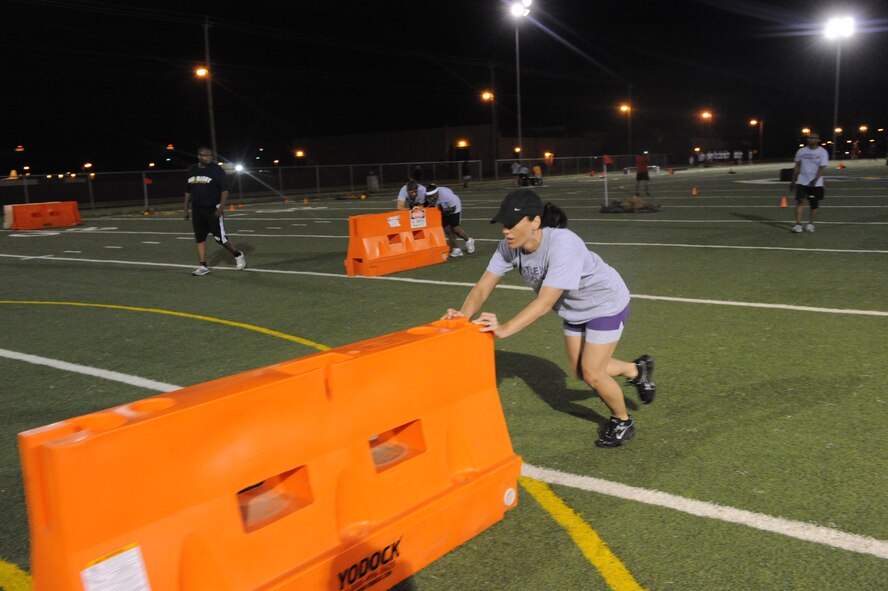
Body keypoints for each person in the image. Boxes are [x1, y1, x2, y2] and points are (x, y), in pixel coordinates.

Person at [442, 189, 656, 448]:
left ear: (535, 222)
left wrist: (505, 329)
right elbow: (483, 287)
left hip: (604, 303)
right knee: (580, 371)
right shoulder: (509, 249)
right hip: (573, 310)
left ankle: (622, 421)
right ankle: (636, 370)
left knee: (593, 373)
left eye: (512, 224)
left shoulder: (564, 244)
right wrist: (463, 315)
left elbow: (545, 303)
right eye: (504, 225)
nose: (506, 231)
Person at [183, 147, 246, 276]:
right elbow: (188, 191)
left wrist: (220, 208)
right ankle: (203, 266)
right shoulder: (191, 170)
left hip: (213, 209)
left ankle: (238, 254)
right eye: (205, 155)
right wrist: (185, 209)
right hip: (197, 210)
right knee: (200, 238)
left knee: (220, 238)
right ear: (199, 156)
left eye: (210, 155)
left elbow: (224, 190)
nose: (209, 157)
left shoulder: (216, 170)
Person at [789, 133, 828, 233]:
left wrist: (815, 180)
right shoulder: (801, 151)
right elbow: (797, 165)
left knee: (813, 204)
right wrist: (793, 181)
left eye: (813, 138)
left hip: (816, 183)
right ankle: (798, 224)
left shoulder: (822, 152)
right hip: (802, 180)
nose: (810, 140)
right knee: (800, 201)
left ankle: (811, 224)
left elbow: (822, 168)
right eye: (809, 138)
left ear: (818, 140)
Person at [425, 183, 475, 257]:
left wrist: (444, 210)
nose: (431, 199)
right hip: (443, 209)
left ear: (437, 193)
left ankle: (469, 241)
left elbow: (453, 208)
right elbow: (431, 205)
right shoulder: (430, 197)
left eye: (432, 197)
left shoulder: (445, 195)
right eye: (429, 197)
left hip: (454, 208)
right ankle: (456, 249)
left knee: (456, 229)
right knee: (447, 230)